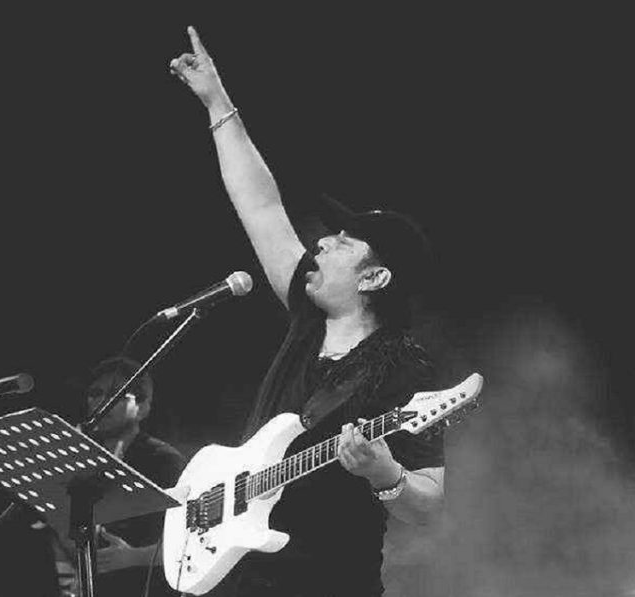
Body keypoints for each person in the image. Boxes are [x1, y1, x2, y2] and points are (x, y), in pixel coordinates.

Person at [168, 27, 446, 597]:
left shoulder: (405, 368)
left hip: (329, 580)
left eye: (343, 243)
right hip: (243, 573)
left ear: (375, 278)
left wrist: (384, 472)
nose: (321, 243)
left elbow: (428, 501)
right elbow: (261, 205)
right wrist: (217, 101)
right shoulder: (307, 316)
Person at [49, 356, 187, 597]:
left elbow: (191, 538)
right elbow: (77, 544)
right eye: (95, 393)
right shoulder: (86, 462)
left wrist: (134, 557)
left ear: (143, 407)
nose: (102, 401)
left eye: (116, 394)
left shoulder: (164, 460)